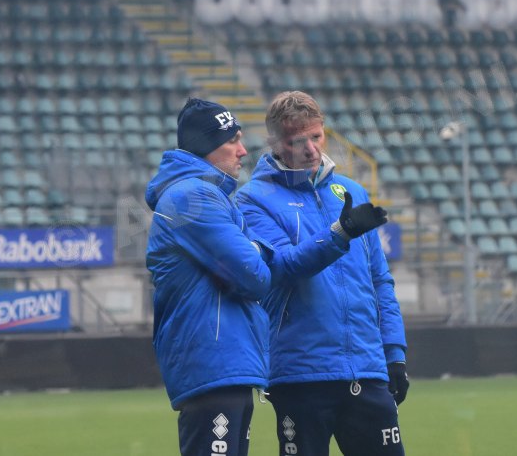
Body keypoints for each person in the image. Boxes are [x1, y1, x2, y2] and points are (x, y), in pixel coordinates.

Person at [236, 91, 408, 456]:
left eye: (316, 136)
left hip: (367, 367)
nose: (311, 149)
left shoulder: (352, 191)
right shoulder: (252, 200)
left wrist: (394, 353)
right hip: (301, 374)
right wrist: (338, 234)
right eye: (297, 141)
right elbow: (280, 267)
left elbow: (379, 280)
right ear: (275, 143)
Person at [145, 98, 274, 456]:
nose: (243, 151)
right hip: (213, 362)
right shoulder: (193, 196)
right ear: (207, 146)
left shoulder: (208, 195)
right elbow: (255, 276)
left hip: (223, 364)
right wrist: (258, 251)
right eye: (232, 140)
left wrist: (253, 251)